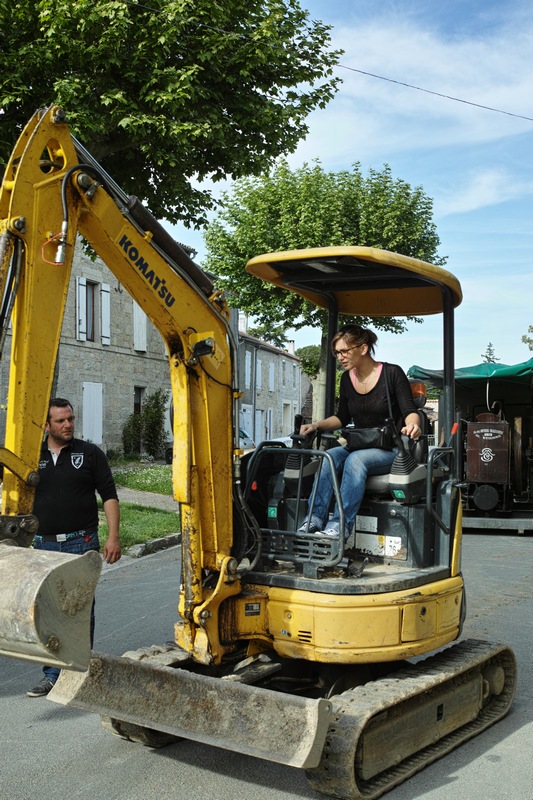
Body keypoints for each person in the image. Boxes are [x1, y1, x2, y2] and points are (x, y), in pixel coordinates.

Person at [26, 398, 121, 697]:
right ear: (47, 425)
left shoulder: (89, 453)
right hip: (43, 546)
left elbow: (109, 495)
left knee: (80, 610)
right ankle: (52, 674)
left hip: (82, 542)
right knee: (48, 612)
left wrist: (113, 537)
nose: (68, 425)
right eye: (60, 421)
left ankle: (78, 672)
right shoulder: (30, 456)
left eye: (71, 419)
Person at [299, 325, 421, 537]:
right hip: (360, 444)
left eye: (344, 351)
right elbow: (342, 417)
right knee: (329, 456)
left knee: (356, 460)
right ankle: (314, 519)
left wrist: (414, 424)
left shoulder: (392, 373)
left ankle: (339, 526)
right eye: (337, 352)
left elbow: (410, 411)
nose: (340, 357)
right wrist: (316, 425)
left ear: (363, 349)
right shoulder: (347, 379)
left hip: (390, 448)